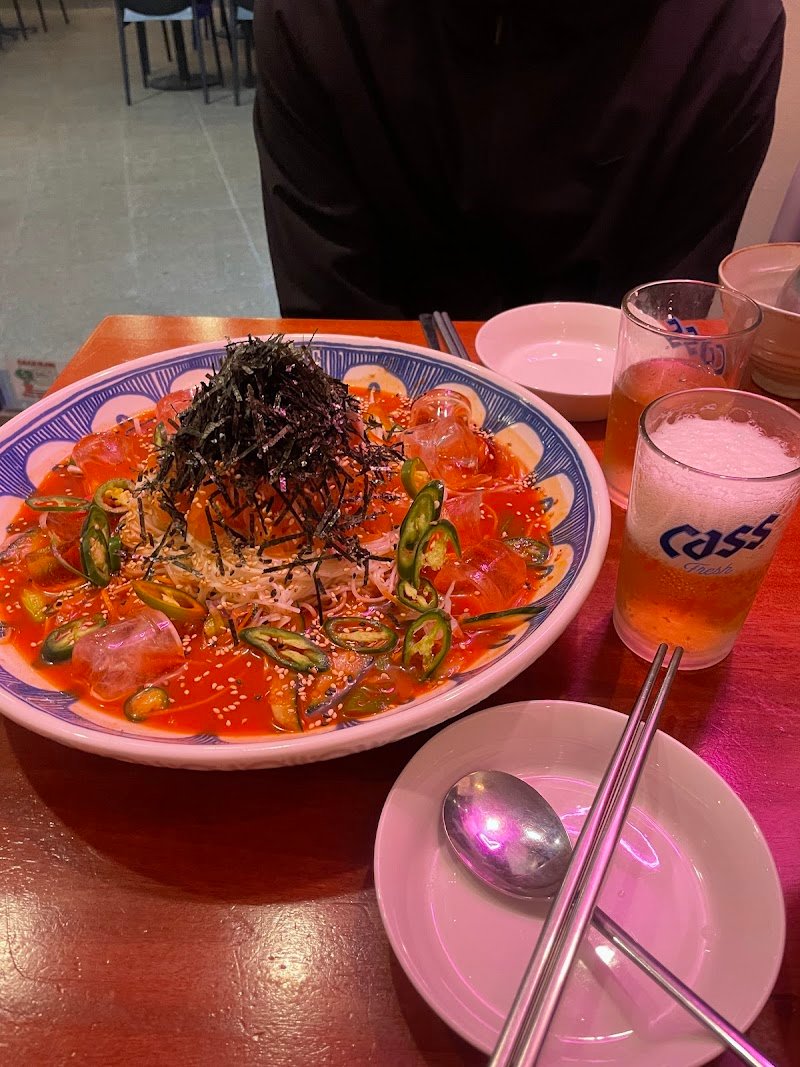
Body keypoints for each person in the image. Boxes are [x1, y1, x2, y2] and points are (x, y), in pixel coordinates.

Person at [253, 1, 785, 320]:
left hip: (610, 413)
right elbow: (334, 320)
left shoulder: (729, 26)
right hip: (380, 410)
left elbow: (661, 329)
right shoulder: (317, 16)